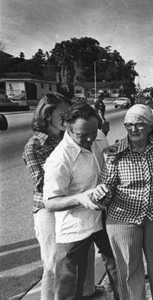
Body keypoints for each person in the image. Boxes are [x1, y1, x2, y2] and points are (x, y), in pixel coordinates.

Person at [23, 93, 104, 300]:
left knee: (83, 254)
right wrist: (78, 192)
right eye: (62, 113)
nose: (66, 116)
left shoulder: (71, 136)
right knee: (53, 264)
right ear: (47, 115)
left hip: (78, 204)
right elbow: (43, 186)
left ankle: (87, 292)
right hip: (47, 208)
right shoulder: (36, 145)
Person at [93, 104, 153, 300]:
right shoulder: (115, 152)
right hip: (123, 218)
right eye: (129, 125)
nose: (133, 129)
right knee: (129, 270)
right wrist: (100, 193)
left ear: (150, 126)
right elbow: (106, 185)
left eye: (140, 124)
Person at [43, 102, 119, 300]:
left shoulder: (98, 136)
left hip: (104, 218)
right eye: (82, 134)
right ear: (68, 129)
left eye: (93, 132)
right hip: (75, 228)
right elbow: (50, 202)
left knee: (119, 269)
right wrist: (79, 198)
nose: (89, 138)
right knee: (69, 286)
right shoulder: (59, 159)